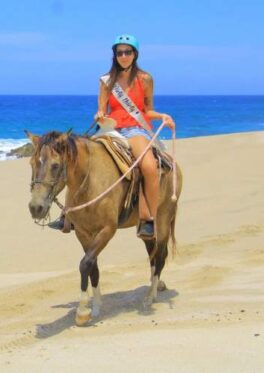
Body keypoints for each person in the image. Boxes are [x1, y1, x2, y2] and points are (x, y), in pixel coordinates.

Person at [49, 34, 175, 239]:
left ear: (135, 54)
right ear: (115, 55)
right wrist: (99, 115)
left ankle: (147, 218)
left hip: (135, 130)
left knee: (149, 166)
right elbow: (101, 111)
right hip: (111, 129)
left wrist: (162, 116)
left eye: (128, 52)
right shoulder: (106, 81)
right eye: (120, 52)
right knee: (77, 160)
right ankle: (68, 214)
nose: (124, 56)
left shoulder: (145, 79)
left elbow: (147, 111)